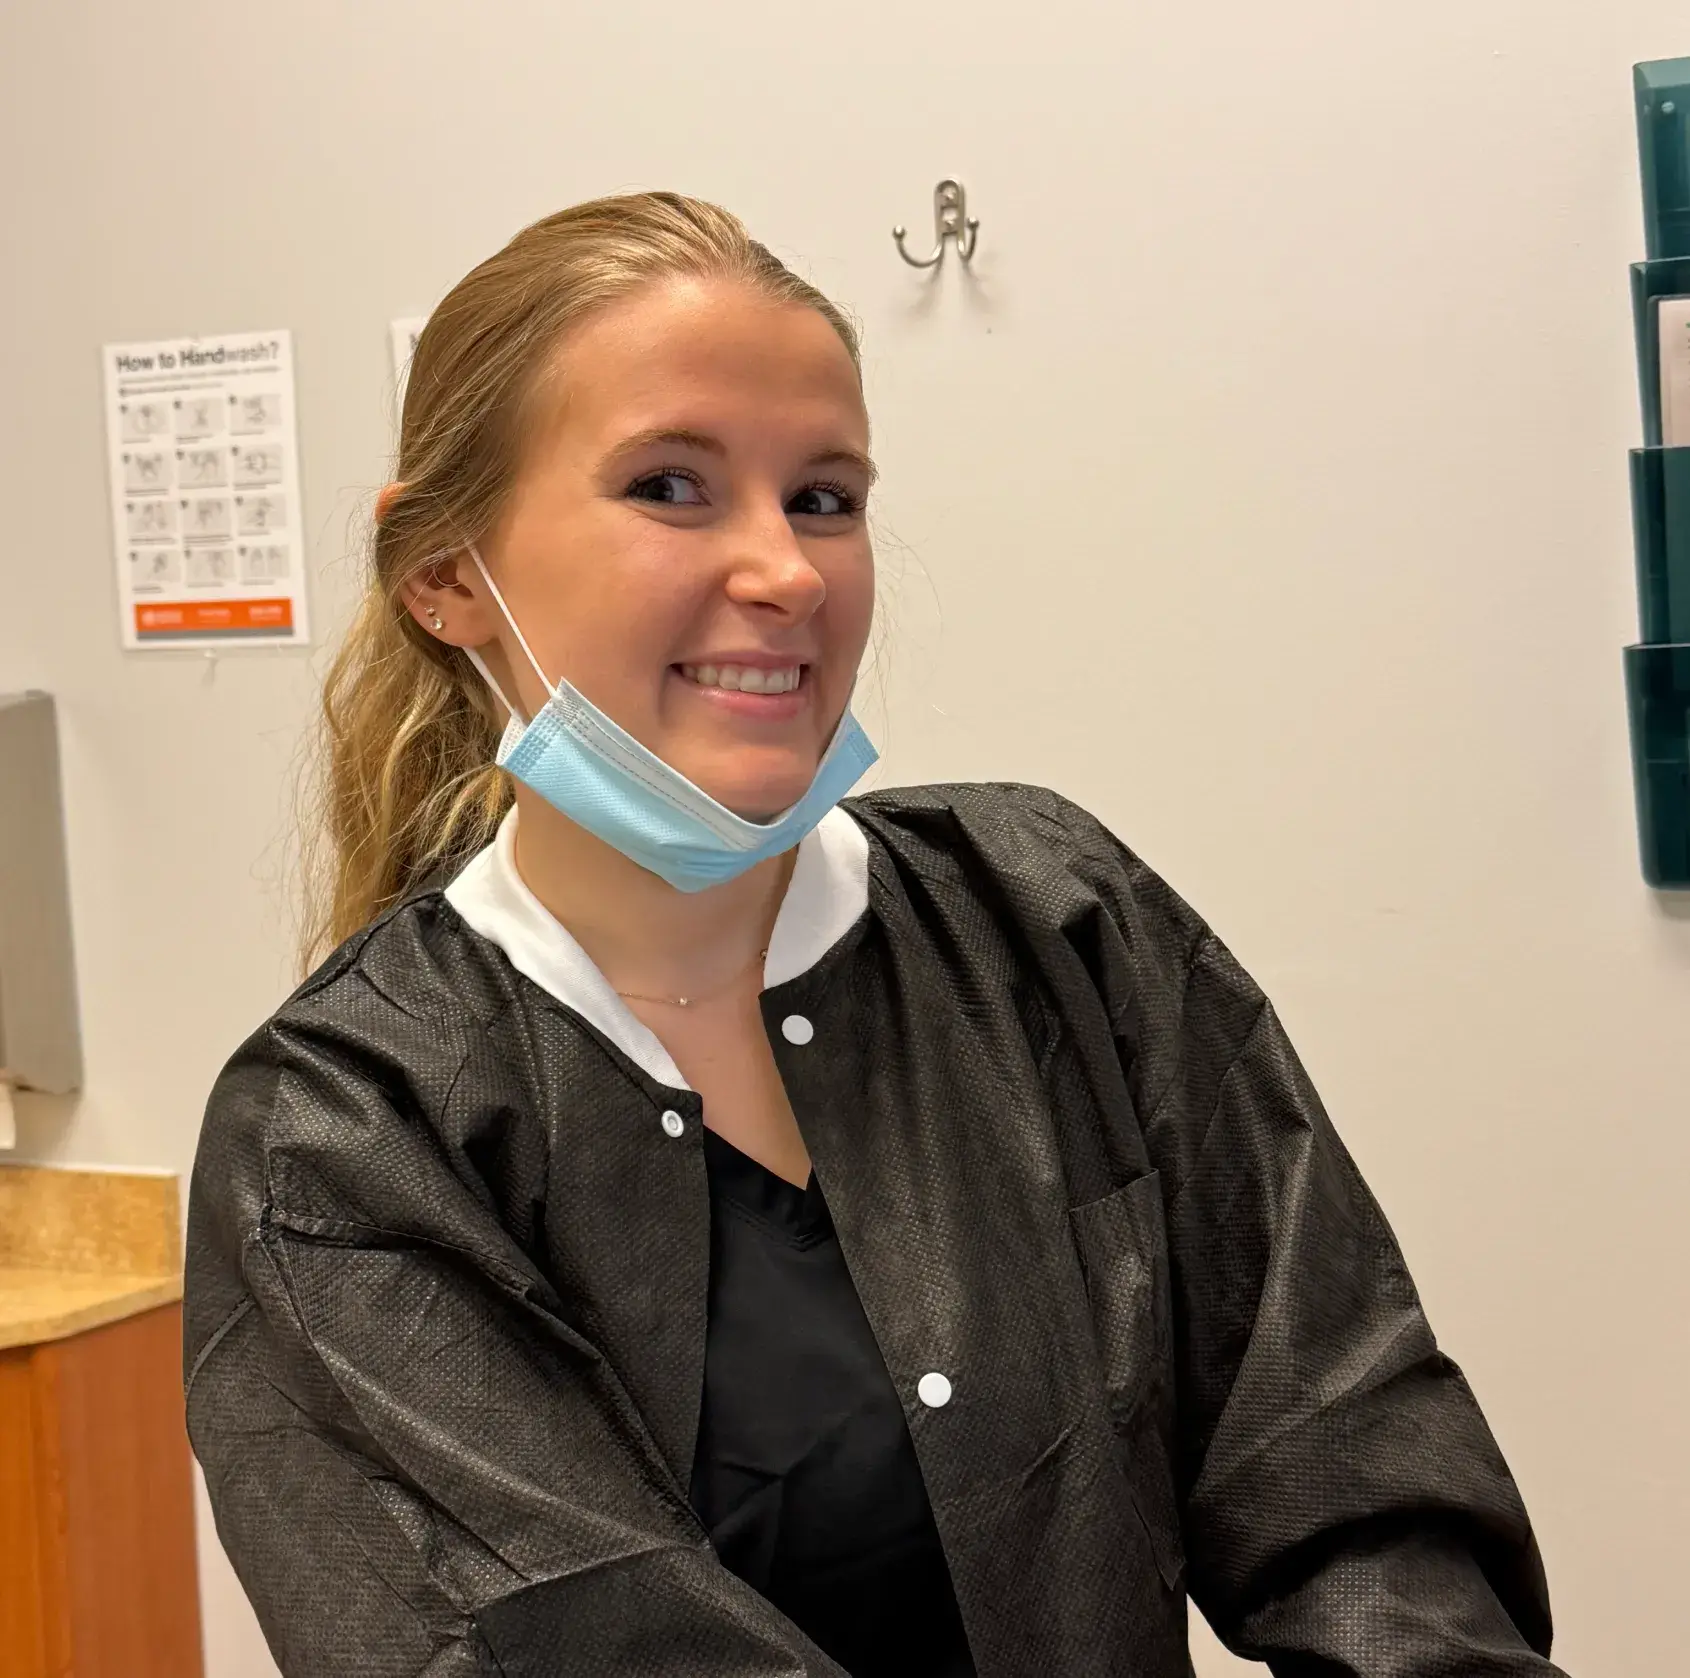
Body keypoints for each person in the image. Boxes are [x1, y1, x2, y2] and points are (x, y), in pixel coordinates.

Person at [184, 192, 1567, 1677]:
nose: (788, 571)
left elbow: (1351, 1475)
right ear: (448, 573)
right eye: (671, 485)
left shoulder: (1056, 921)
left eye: (824, 498)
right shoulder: (344, 1134)